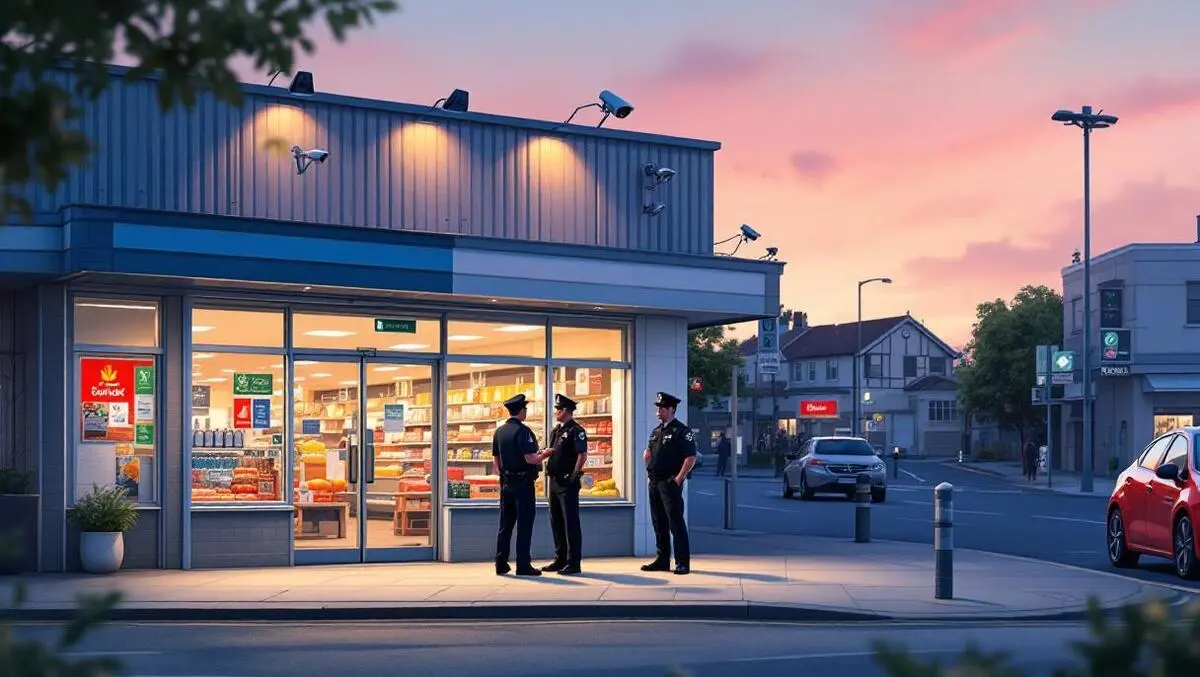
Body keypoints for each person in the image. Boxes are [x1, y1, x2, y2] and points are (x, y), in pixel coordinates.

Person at [493, 393, 551, 576]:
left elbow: (496, 460)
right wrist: (546, 454)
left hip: (506, 483)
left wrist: (504, 475)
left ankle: (500, 563)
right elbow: (530, 458)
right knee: (524, 524)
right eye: (525, 408)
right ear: (521, 411)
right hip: (523, 484)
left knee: (505, 524)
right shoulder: (523, 431)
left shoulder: (499, 431)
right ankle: (523, 565)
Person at [641, 391, 697, 575]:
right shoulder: (656, 431)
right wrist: (647, 458)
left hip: (669, 482)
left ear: (672, 409)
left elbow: (690, 457)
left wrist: (679, 478)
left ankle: (682, 562)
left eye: (663, 408)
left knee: (676, 523)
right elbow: (650, 451)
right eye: (658, 408)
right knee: (659, 522)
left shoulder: (681, 431)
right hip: (655, 482)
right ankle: (662, 559)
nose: (659, 411)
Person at [541, 393, 588, 575]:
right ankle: (560, 559)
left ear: (567, 411)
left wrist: (574, 476)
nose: (556, 412)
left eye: (559, 409)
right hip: (554, 481)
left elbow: (582, 455)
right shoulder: (556, 431)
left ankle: (573, 562)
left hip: (567, 482)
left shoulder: (577, 431)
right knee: (557, 521)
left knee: (570, 523)